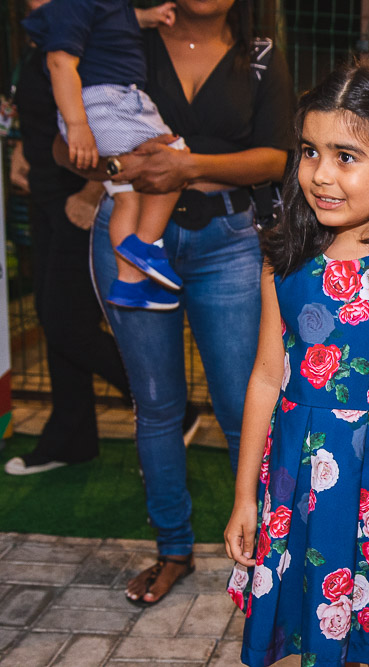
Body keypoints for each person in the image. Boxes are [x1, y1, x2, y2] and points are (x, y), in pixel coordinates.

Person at [223, 61, 369, 667]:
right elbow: (266, 377)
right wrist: (244, 497)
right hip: (291, 482)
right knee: (309, 631)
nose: (321, 175)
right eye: (310, 151)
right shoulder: (285, 262)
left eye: (346, 156)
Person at [57, 0, 295, 605]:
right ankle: (172, 550)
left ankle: (265, 554)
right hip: (130, 238)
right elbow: (64, 141)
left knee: (243, 406)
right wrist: (120, 165)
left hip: (229, 244)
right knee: (157, 405)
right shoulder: (122, 39)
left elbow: (277, 158)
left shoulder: (260, 55)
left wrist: (185, 166)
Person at [3, 0, 135, 476]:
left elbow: (118, 116)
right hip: (44, 192)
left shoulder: (87, 18)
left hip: (79, 196)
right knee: (54, 316)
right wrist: (22, 144)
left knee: (65, 323)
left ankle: (160, 402)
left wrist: (93, 190)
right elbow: (45, 102)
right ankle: (72, 437)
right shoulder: (39, 25)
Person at [23, 0, 189, 310]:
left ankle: (130, 283)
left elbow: (108, 20)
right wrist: (77, 125)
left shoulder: (98, 6)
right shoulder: (74, 4)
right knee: (173, 156)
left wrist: (145, 17)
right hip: (107, 101)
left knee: (126, 195)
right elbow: (60, 62)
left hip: (99, 105)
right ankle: (145, 245)